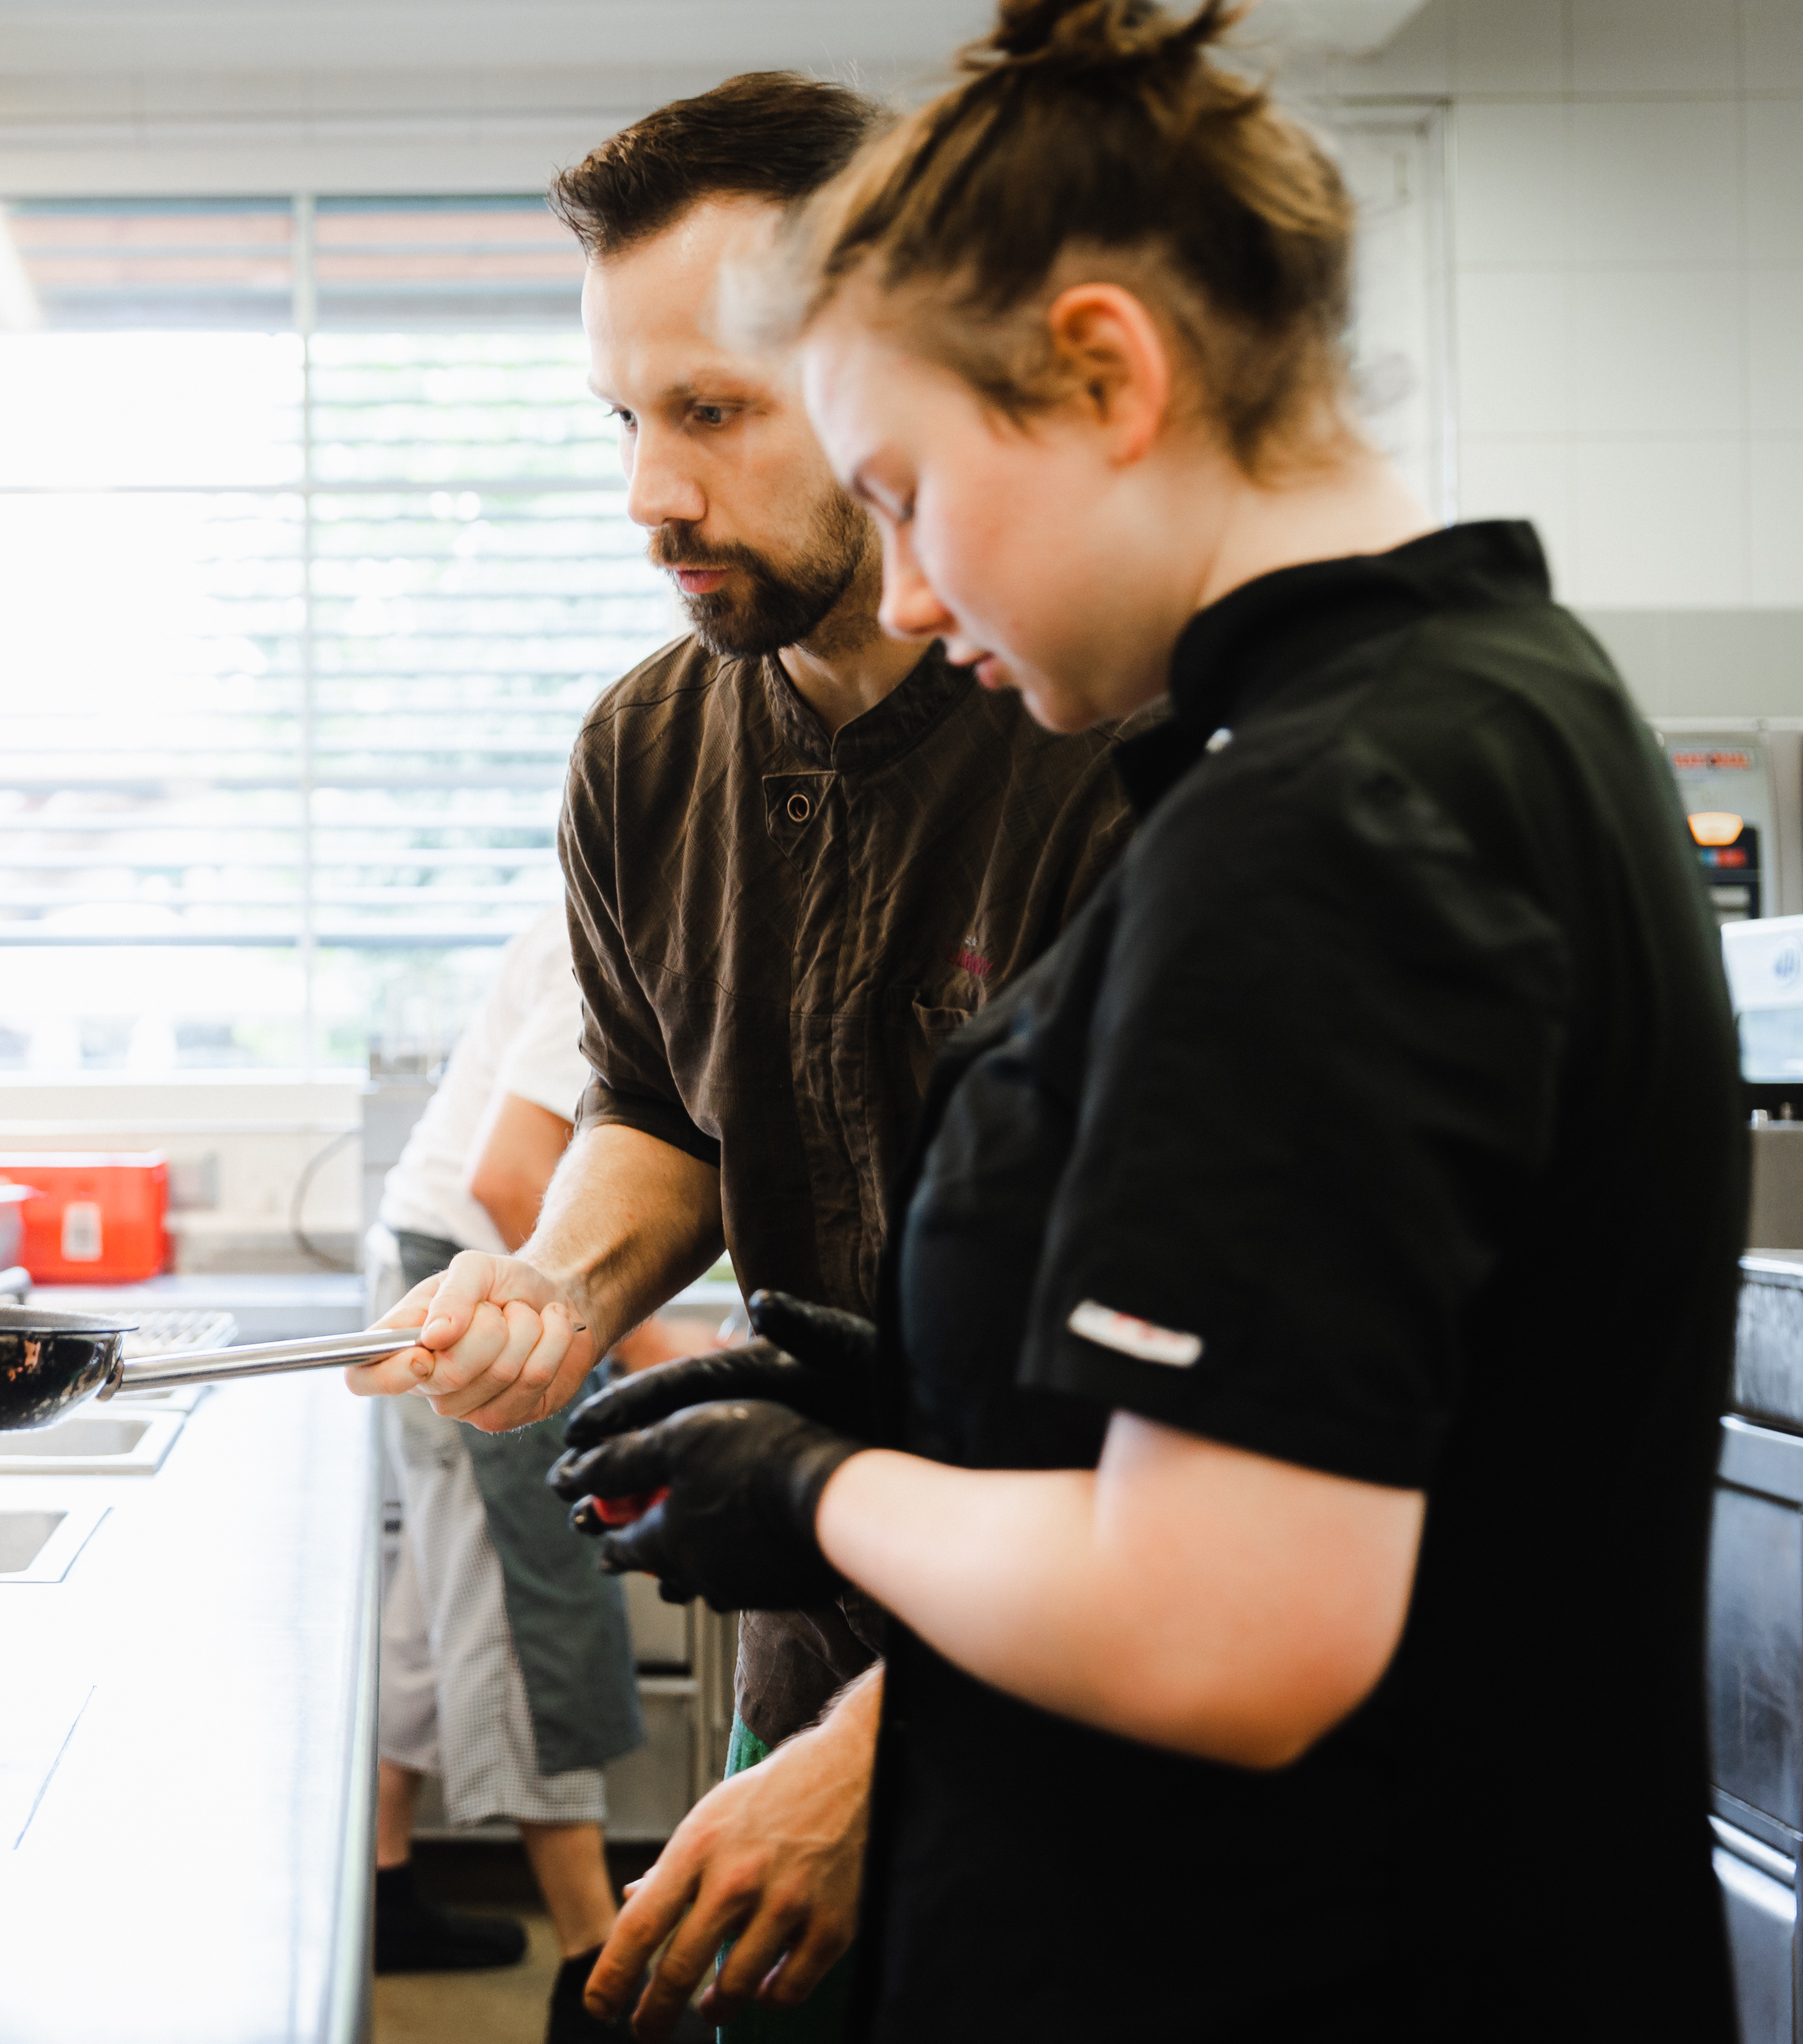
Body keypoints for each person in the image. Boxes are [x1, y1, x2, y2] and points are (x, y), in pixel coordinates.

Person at [544, 2, 1743, 2037]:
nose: (908, 596)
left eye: (906, 491)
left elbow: (1224, 1630)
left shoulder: (1321, 823)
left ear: (1106, 371)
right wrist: (906, 1396)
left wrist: (809, 1489)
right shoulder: (1496, 697)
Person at [345, 70, 1143, 2039]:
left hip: (1087, 1699)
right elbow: (660, 1104)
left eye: (709, 411)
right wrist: (557, 1282)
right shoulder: (646, 747)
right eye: (625, 420)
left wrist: (899, 1759)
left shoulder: (1100, 747)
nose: (647, 495)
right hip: (813, 1654)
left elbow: (1170, 1422)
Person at [366, 904, 712, 2042]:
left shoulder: (622, 915)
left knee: (434, 1599)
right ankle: (591, 1970)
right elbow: (517, 1179)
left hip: (436, 1256)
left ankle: (382, 1888)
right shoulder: (612, 936)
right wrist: (669, 1356)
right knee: (533, 1605)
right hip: (476, 1288)